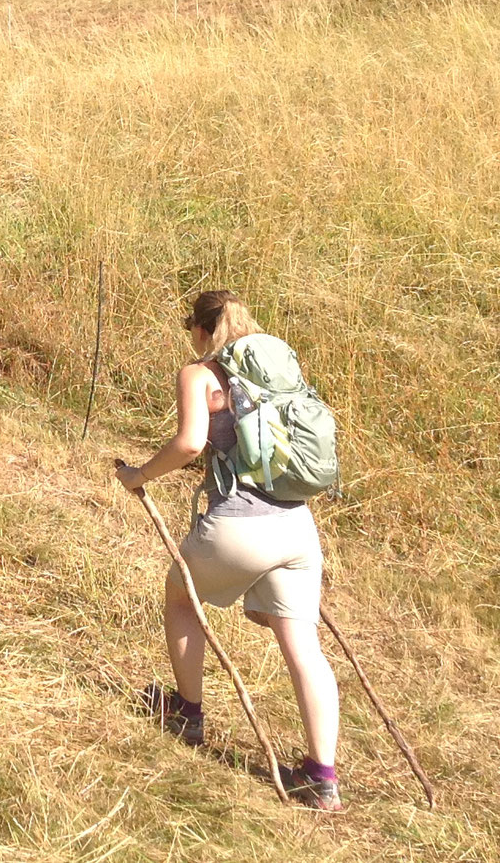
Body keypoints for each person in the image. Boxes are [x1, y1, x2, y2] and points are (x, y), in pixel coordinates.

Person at [114, 290, 343, 811]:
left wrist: (139, 475)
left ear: (200, 329)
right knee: (303, 648)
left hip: (242, 526)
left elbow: (191, 443)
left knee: (180, 595)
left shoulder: (201, 374)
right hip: (297, 527)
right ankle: (321, 777)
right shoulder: (278, 371)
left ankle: (187, 714)